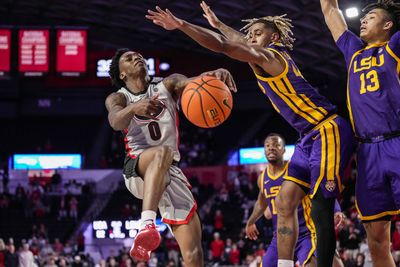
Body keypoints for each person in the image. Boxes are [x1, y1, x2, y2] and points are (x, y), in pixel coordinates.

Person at [146, 3, 354, 267]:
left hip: (327, 129)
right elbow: (239, 41)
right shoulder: (264, 55)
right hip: (307, 136)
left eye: (257, 33)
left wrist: (182, 25)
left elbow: (225, 46)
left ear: (274, 38)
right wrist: (220, 25)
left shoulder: (271, 57)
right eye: (251, 34)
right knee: (284, 200)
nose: (251, 37)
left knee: (320, 208)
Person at [105, 48, 236, 265]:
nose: (137, 57)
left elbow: (195, 83)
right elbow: (115, 120)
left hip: (170, 172)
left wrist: (214, 74)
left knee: (194, 253)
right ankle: (147, 224)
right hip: (138, 169)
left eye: (138, 54)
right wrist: (135, 107)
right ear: (122, 75)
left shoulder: (167, 84)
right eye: (129, 58)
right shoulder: (119, 97)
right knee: (161, 153)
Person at [319, 0, 400, 266]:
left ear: (388, 25)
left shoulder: (394, 46)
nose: (363, 20)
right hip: (366, 152)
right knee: (375, 237)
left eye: (371, 17)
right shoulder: (353, 51)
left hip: (396, 142)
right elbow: (331, 10)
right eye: (363, 17)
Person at [246, 133, 345, 267]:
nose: (271, 148)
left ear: (284, 150)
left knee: (325, 263)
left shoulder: (296, 169)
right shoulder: (262, 178)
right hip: (281, 235)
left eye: (276, 145)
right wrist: (250, 221)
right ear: (264, 150)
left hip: (307, 232)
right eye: (267, 145)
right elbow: (261, 203)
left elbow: (320, 187)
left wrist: (336, 209)